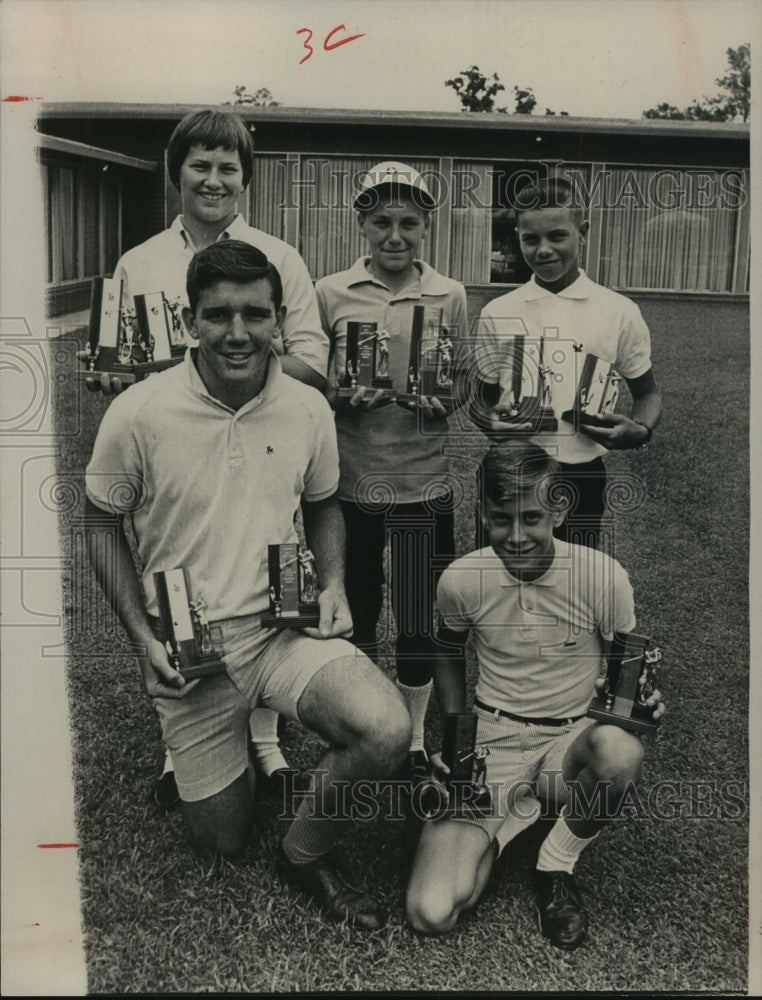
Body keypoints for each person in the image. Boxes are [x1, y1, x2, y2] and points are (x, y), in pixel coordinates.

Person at [84, 242, 410, 929]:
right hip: (193, 647)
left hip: (284, 627)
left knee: (385, 730)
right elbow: (100, 524)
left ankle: (304, 852)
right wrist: (144, 640)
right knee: (222, 840)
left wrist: (333, 586)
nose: (238, 333)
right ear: (188, 320)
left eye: (255, 314)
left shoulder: (307, 408)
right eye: (219, 314)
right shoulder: (139, 412)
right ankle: (233, 760)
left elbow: (322, 503)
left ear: (279, 319)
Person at [83, 109, 329, 802]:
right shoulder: (139, 262)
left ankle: (265, 741)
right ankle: (181, 745)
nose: (214, 179)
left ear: (246, 180)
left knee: (258, 580)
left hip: (259, 437)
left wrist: (250, 377)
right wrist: (120, 374)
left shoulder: (280, 258)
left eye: (229, 167)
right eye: (201, 165)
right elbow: (129, 360)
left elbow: (312, 356)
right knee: (180, 579)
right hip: (175, 451)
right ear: (177, 174)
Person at [406, 442, 665, 949]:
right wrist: (459, 738)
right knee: (430, 911)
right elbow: (447, 650)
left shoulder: (601, 575)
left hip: (569, 741)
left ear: (560, 509)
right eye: (502, 519)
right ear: (482, 512)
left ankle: (555, 863)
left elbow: (627, 665)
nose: (517, 536)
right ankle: (508, 819)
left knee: (621, 751)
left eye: (532, 517)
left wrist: (643, 705)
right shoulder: (462, 578)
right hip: (495, 738)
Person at [315, 162, 468, 786]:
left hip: (421, 486)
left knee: (414, 618)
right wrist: (338, 396)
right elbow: (314, 382)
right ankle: (359, 727)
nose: (395, 235)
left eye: (409, 223)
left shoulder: (449, 294)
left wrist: (444, 400)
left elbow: (459, 380)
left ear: (426, 226)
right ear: (362, 224)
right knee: (355, 609)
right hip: (349, 486)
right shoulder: (331, 292)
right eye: (382, 222)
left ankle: (406, 739)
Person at [470, 178, 662, 548]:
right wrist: (493, 421)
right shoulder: (498, 310)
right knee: (500, 581)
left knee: (573, 584)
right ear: (518, 237)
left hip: (582, 474)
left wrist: (640, 431)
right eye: (530, 239)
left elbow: (648, 392)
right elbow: (481, 398)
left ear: (583, 232)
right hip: (511, 468)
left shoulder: (618, 311)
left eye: (557, 236)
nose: (543, 250)